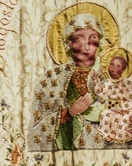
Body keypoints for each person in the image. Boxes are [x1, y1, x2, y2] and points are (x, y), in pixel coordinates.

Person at [29, 12, 107, 150]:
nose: (86, 47)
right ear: (68, 43)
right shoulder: (52, 78)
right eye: (78, 39)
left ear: (100, 43)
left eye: (93, 39)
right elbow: (36, 129)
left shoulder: (111, 77)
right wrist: (69, 112)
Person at [95, 54, 132, 143]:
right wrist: (96, 80)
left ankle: (121, 134)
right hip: (112, 108)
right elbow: (101, 92)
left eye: (118, 66)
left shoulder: (126, 83)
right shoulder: (107, 82)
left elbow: (130, 97)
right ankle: (107, 134)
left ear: (123, 70)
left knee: (123, 119)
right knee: (105, 114)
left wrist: (123, 109)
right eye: (112, 64)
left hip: (125, 108)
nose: (113, 68)